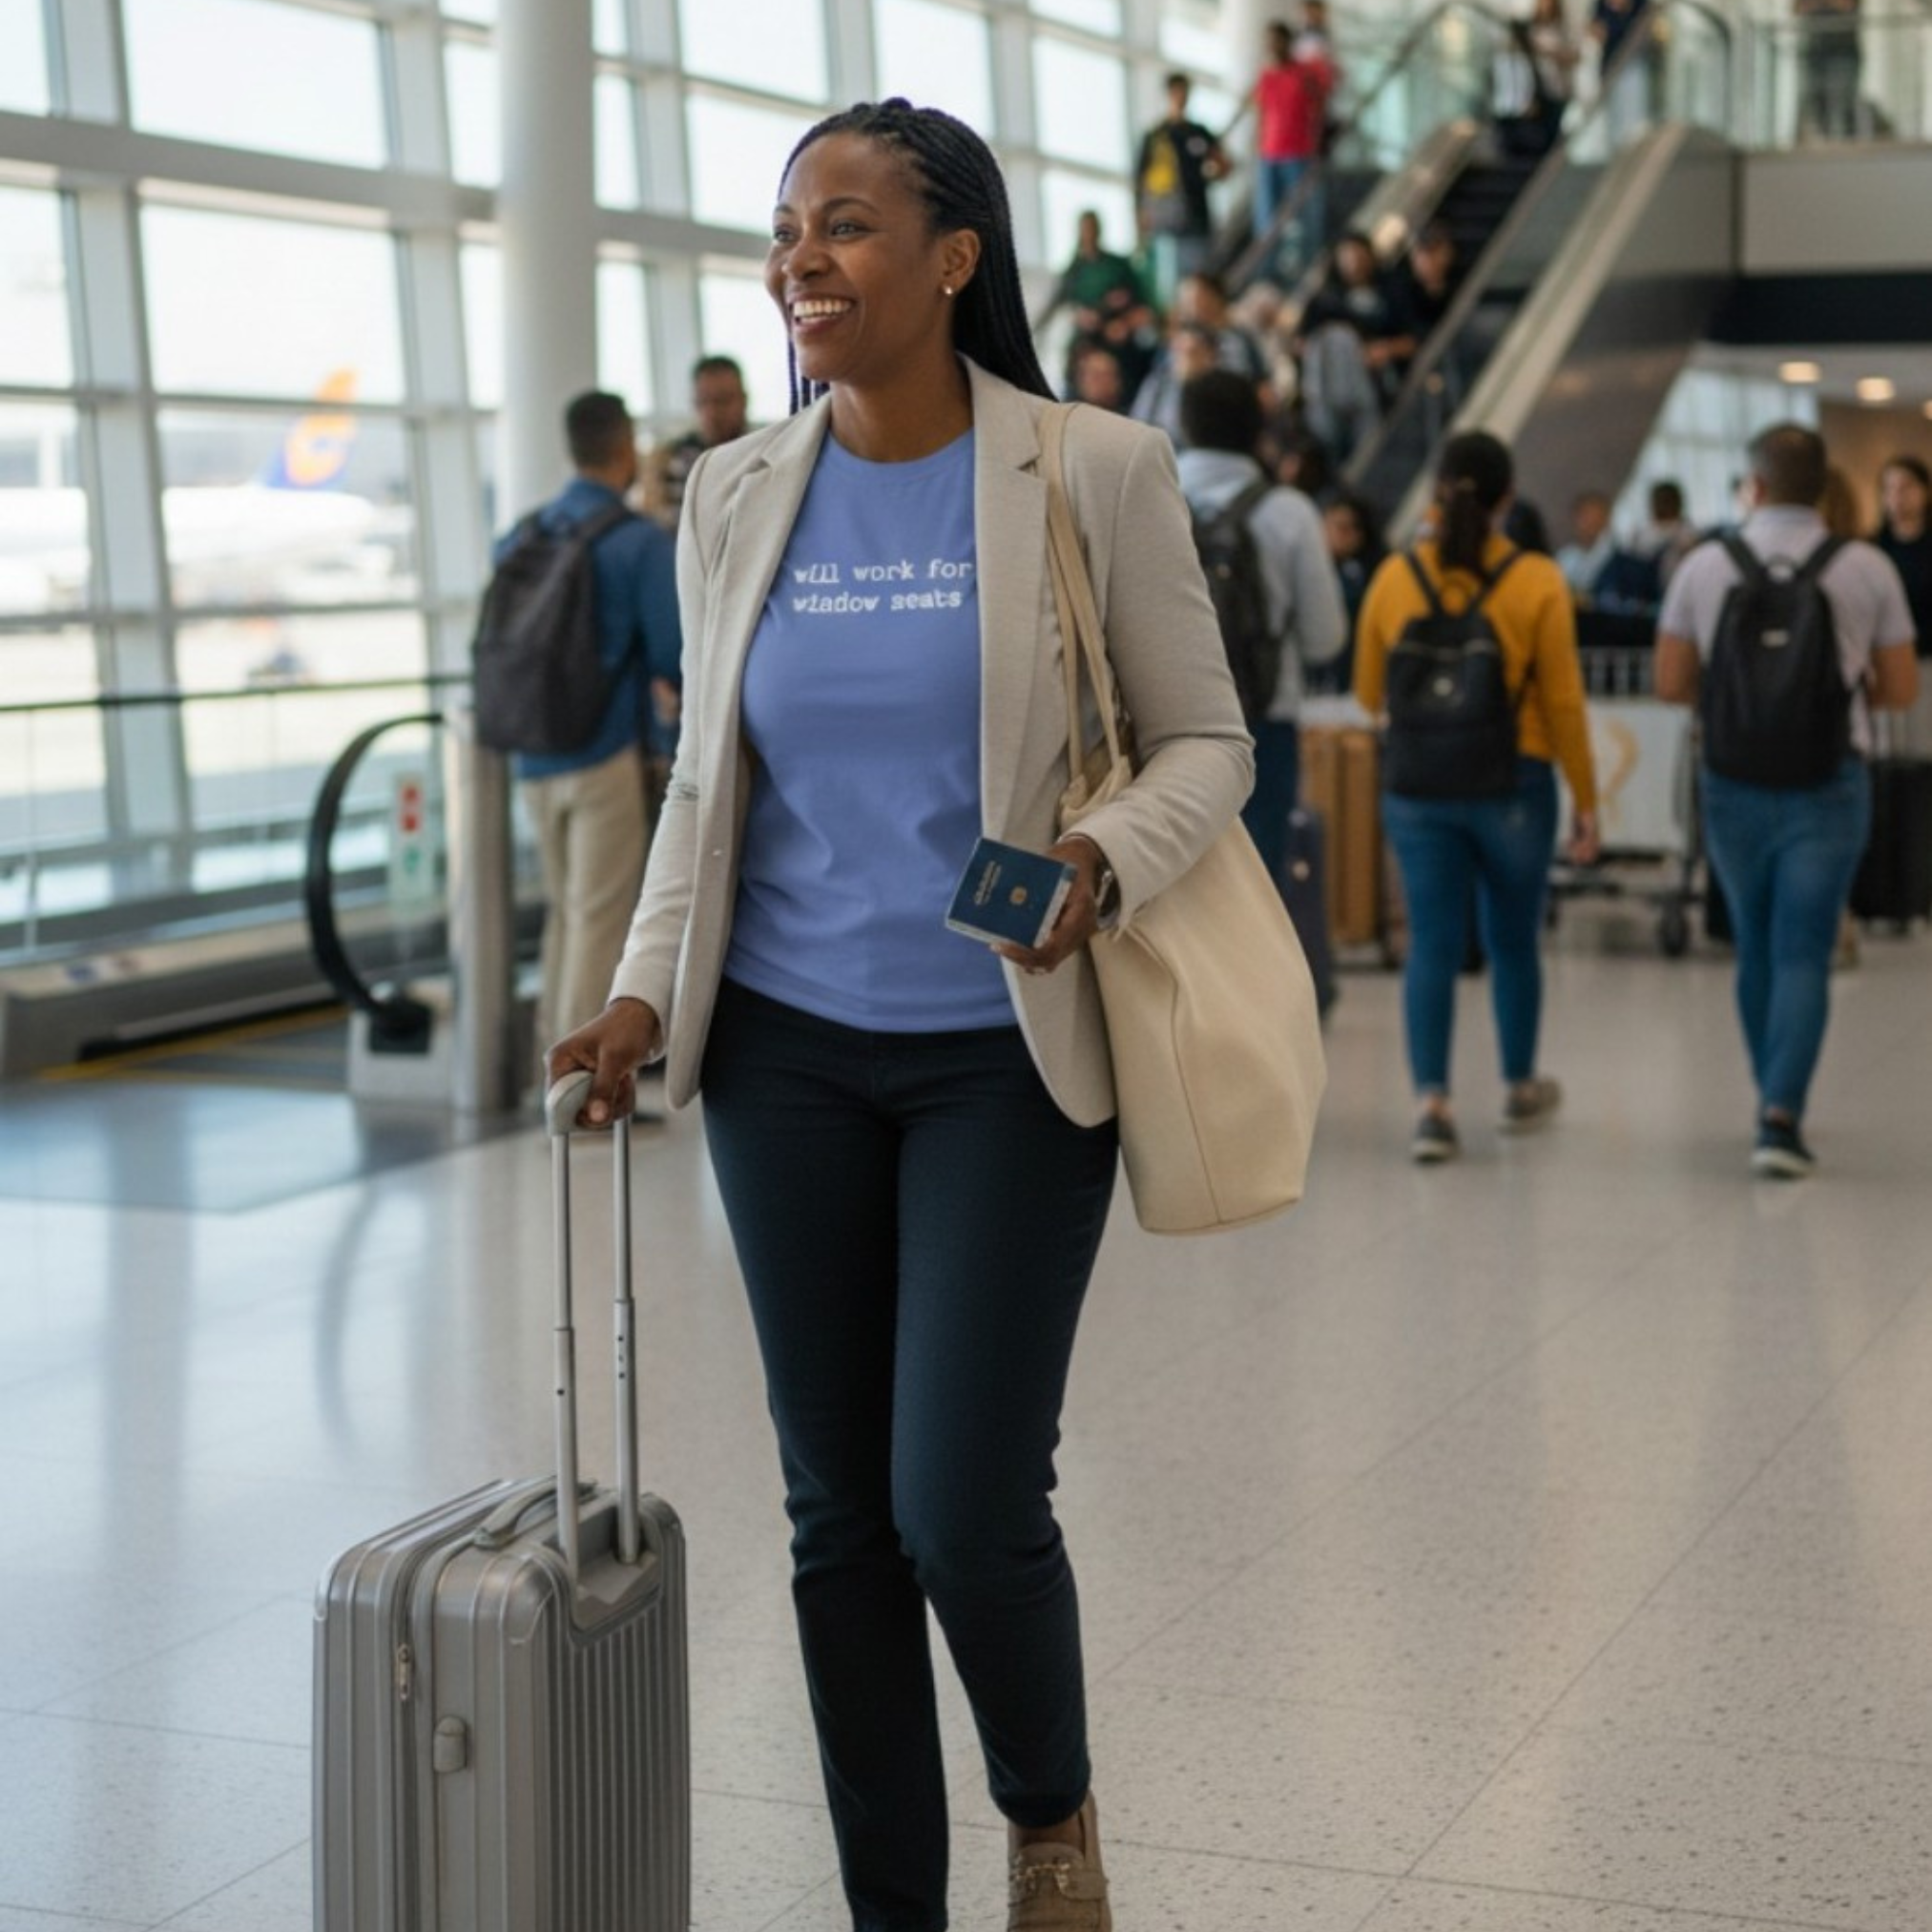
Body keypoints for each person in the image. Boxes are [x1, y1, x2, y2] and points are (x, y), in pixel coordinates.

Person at [546, 97, 1252, 1932]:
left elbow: (1210, 745)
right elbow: (708, 781)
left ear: (955, 258)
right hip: (784, 1051)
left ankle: (1048, 1811)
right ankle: (891, 1909)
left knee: (958, 1499)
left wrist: (1098, 856)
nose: (803, 258)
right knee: (835, 1517)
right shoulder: (733, 488)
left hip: (1003, 1056)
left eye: (847, 224)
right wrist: (637, 994)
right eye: (788, 226)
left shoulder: (1089, 467)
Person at [1653, 423, 1918, 1176]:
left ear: (1755, 485)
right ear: (1822, 485)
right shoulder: (1864, 568)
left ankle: (1766, 1084)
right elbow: (1900, 687)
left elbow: (1670, 683)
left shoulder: (1705, 566)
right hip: (1828, 781)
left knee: (1754, 940)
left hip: (1731, 779)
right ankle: (1780, 1112)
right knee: (1804, 946)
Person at [1353, 430, 1600, 1163]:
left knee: (1430, 941)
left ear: (1436, 492)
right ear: (1506, 500)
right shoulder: (1537, 581)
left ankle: (1432, 1104)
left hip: (1420, 783)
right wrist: (1586, 801)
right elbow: (1562, 703)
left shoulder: (1393, 580)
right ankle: (1519, 1086)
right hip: (1513, 784)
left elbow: (1371, 693)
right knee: (1513, 939)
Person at [504, 390, 682, 1070]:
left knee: (563, 915)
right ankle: (578, 1080)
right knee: (600, 920)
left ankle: (546, 1064)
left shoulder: (524, 532)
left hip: (531, 753)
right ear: (623, 446)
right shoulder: (634, 541)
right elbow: (672, 653)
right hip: (603, 751)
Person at [1177, 369, 1348, 882]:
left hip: (1161, 725)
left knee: (1175, 891)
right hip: (1263, 718)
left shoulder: (1148, 494)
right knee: (1257, 889)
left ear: (1184, 424)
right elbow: (1325, 638)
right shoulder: (1289, 512)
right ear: (1257, 429)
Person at [1293, 232, 1403, 464]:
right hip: (1328, 385)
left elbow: (1412, 337)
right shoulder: (1324, 299)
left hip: (1373, 383)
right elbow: (1299, 342)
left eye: (1360, 255)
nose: (1354, 263)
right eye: (1348, 256)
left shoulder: (1389, 292)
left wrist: (1383, 350)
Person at [1252, 16, 1337, 281]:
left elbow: (1321, 104)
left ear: (1288, 42)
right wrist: (1258, 147)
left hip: (1299, 153)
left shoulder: (1304, 74)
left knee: (1305, 215)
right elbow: (1261, 114)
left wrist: (1318, 141)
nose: (1273, 46)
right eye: (1269, 41)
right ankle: (1269, 274)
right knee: (1267, 218)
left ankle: (1307, 269)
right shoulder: (1266, 77)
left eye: (1278, 40)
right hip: (1270, 155)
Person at [1133, 73, 1227, 305]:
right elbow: (1141, 181)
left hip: (1196, 216)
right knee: (1170, 288)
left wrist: (1212, 173)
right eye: (1176, 92)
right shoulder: (1156, 135)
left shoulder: (1198, 132)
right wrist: (1142, 219)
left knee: (1199, 280)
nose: (1180, 97)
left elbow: (1223, 164)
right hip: (1167, 221)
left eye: (1184, 92)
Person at [1050, 209, 1156, 398]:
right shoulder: (1075, 269)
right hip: (1087, 337)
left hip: (1119, 333)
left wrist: (1125, 324)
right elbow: (1067, 305)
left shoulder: (1118, 265)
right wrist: (1081, 317)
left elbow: (1143, 306)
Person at [642, 354, 751, 530]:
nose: (712, 412)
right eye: (703, 402)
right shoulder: (669, 461)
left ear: (744, 400)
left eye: (722, 401)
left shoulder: (766, 454)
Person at [1873, 453, 1932, 748]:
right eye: (1889, 488)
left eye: (1906, 487)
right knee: (1889, 747)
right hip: (1882, 663)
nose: (1897, 497)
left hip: (1926, 659)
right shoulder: (1872, 549)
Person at [1316, 485, 1386, 691]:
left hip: (1359, 671)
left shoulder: (1373, 572)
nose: (1345, 536)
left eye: (1350, 528)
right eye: (1337, 527)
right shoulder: (1315, 568)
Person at [1795, 0, 1863, 140]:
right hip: (1814, 52)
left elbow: (1846, 5)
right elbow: (1798, 8)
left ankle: (1846, 149)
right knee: (1816, 106)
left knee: (1842, 106)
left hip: (1843, 52)